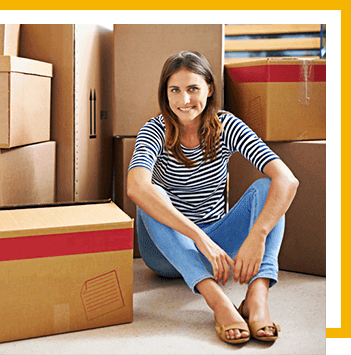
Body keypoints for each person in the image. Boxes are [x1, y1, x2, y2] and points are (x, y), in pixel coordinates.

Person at [127, 51, 299, 345]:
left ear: (209, 88)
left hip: (217, 251)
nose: (184, 100)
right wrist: (198, 237)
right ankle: (218, 301)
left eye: (193, 88)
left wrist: (257, 235)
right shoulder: (154, 130)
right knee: (151, 193)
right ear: (165, 94)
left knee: (267, 187)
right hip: (167, 254)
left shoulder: (226, 125)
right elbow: (135, 187)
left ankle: (256, 298)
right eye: (175, 90)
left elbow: (287, 179)